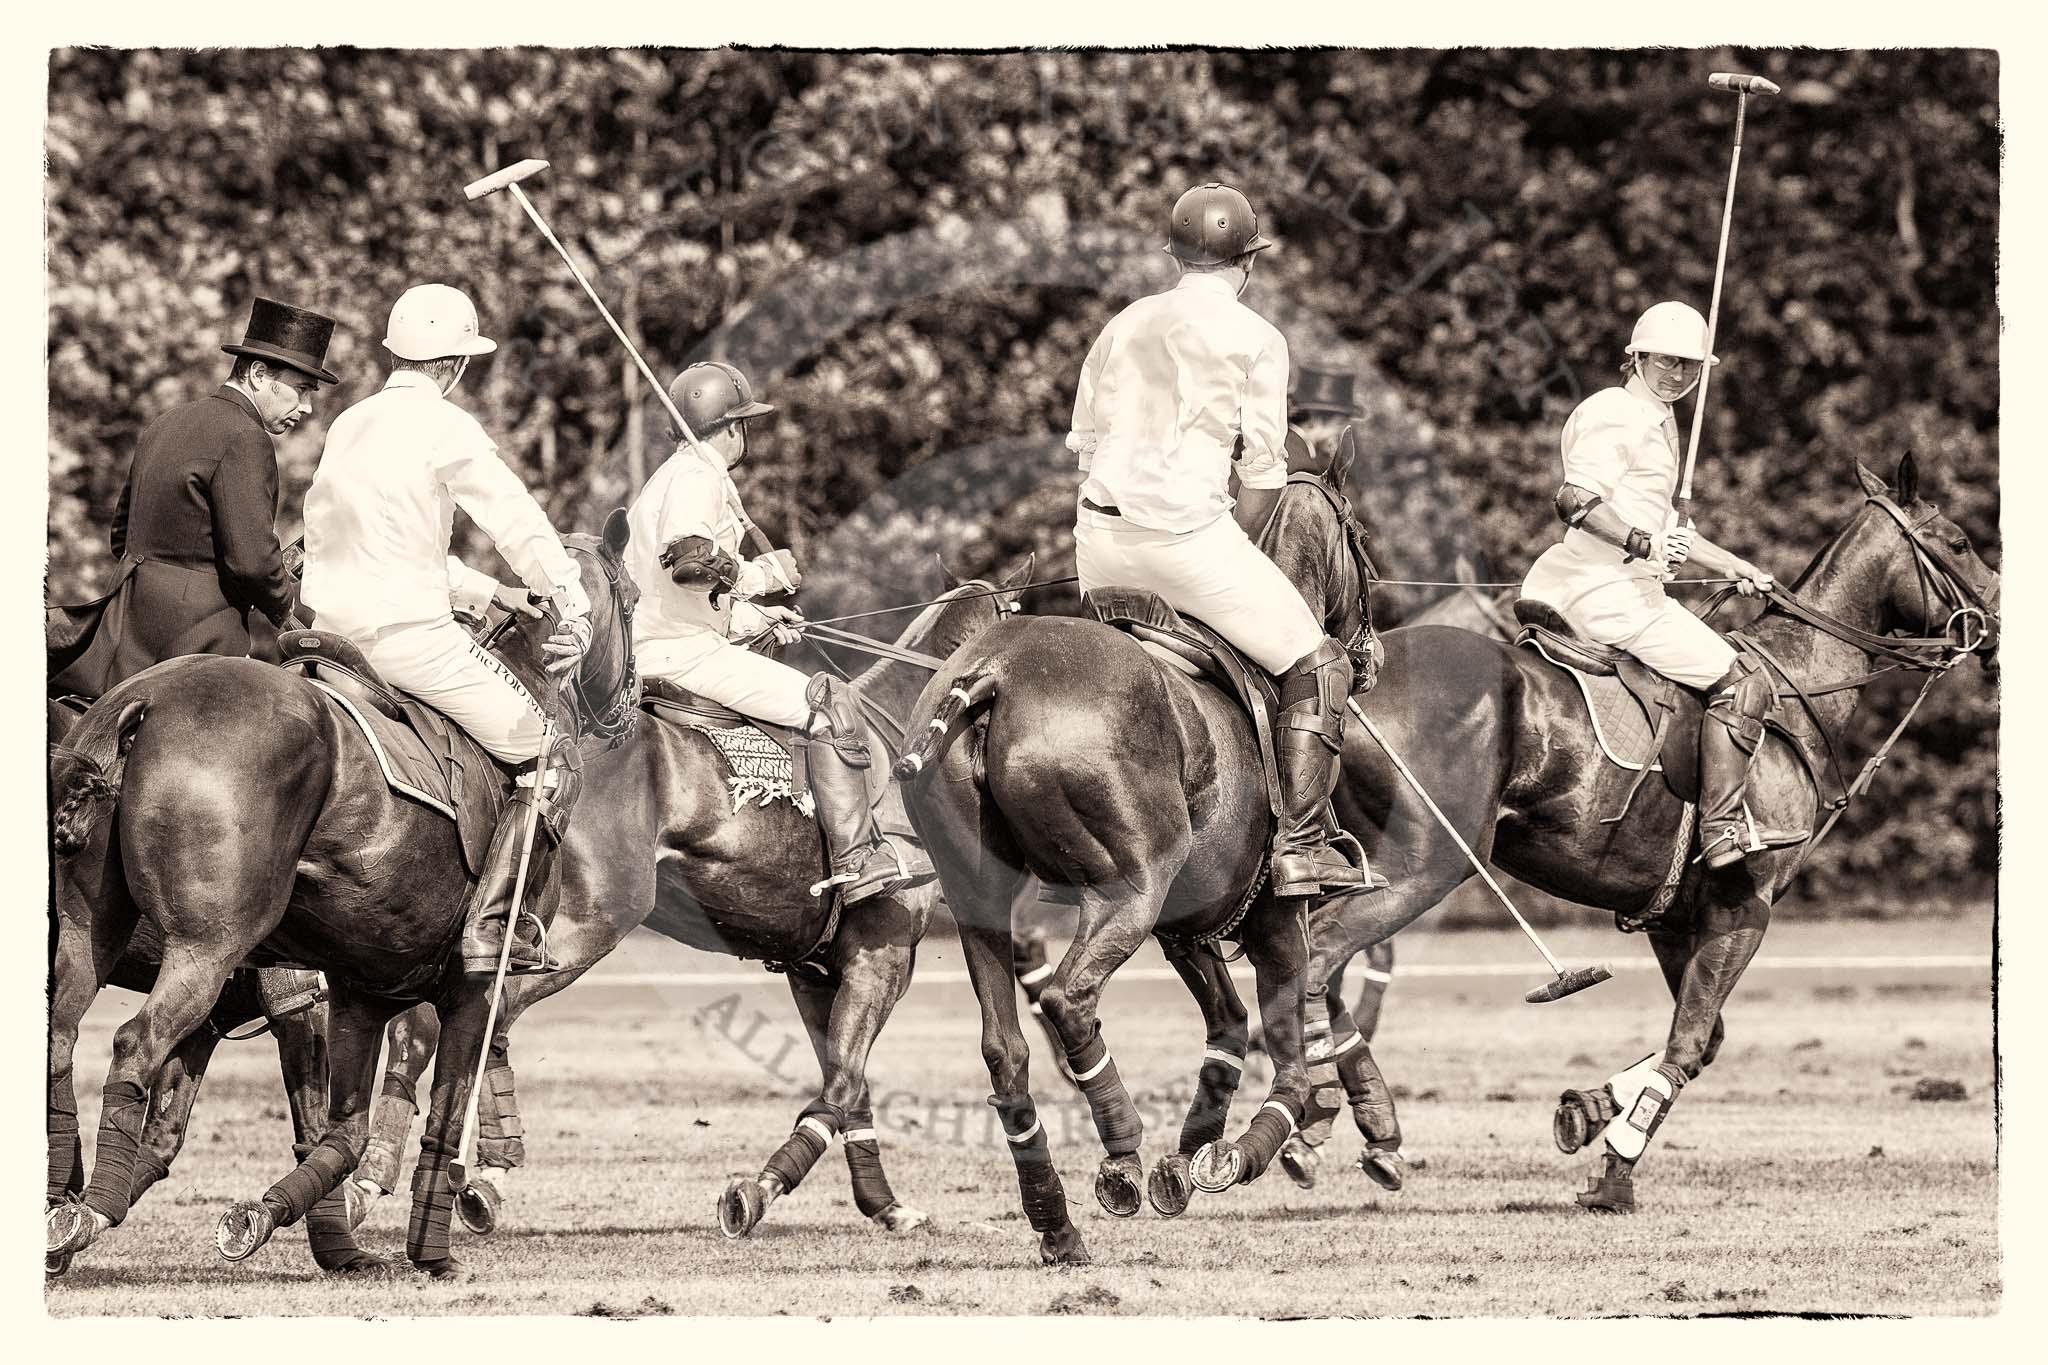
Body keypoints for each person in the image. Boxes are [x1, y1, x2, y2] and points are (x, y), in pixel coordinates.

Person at [1068, 182, 1376, 900]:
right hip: (1187, 548)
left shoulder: (1122, 322)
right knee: (1320, 662)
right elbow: (1265, 477)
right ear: (1249, 261)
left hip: (1097, 548)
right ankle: (1302, 846)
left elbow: (1085, 453)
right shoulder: (1259, 337)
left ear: (1175, 256)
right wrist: (1229, 546)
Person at [301, 284, 593, 975]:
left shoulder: (349, 423)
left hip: (327, 640)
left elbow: (361, 542)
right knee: (552, 758)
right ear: (457, 364)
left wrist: (489, 590)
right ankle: (493, 925)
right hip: (408, 642)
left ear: (398, 353)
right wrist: (570, 599)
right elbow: (514, 516)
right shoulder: (446, 425)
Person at [626, 360, 935, 906]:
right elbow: (690, 564)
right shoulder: (699, 475)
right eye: (744, 423)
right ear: (731, 427)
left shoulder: (670, 477)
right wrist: (760, 577)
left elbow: (672, 597)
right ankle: (857, 859)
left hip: (663, 642)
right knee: (831, 702)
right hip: (681, 656)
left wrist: (753, 617)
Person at [1521, 299, 1803, 868]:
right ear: (1637, 357)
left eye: (1690, 366)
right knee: (1745, 682)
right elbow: (1576, 501)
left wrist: (1732, 564)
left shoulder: (1656, 418)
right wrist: (1641, 544)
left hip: (1620, 585)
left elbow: (1665, 527)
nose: (1678, 374)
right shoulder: (1618, 413)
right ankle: (1721, 829)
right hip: (1608, 593)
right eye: (1666, 362)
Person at [50, 298, 338, 698]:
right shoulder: (246, 438)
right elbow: (252, 562)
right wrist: (285, 610)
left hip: (122, 633)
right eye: (302, 389)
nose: (306, 407)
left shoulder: (165, 422)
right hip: (197, 640)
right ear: (258, 373)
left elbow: (121, 536)